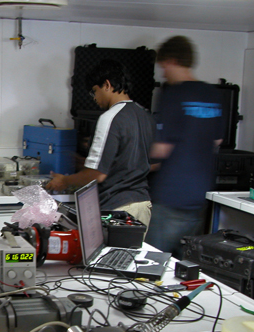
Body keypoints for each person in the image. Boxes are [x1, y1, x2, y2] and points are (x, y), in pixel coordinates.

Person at [46, 59, 155, 226]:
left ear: (107, 85)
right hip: (142, 206)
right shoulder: (145, 116)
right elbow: (132, 161)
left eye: (94, 91)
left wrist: (65, 181)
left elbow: (98, 174)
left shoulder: (110, 118)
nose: (95, 98)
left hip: (118, 208)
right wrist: (85, 164)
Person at [146, 36, 223, 258]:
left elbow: (161, 150)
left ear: (171, 61)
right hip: (199, 197)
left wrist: (138, 157)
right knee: (184, 266)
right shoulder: (213, 94)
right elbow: (216, 141)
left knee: (152, 265)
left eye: (163, 66)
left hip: (171, 195)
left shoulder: (173, 94)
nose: (163, 73)